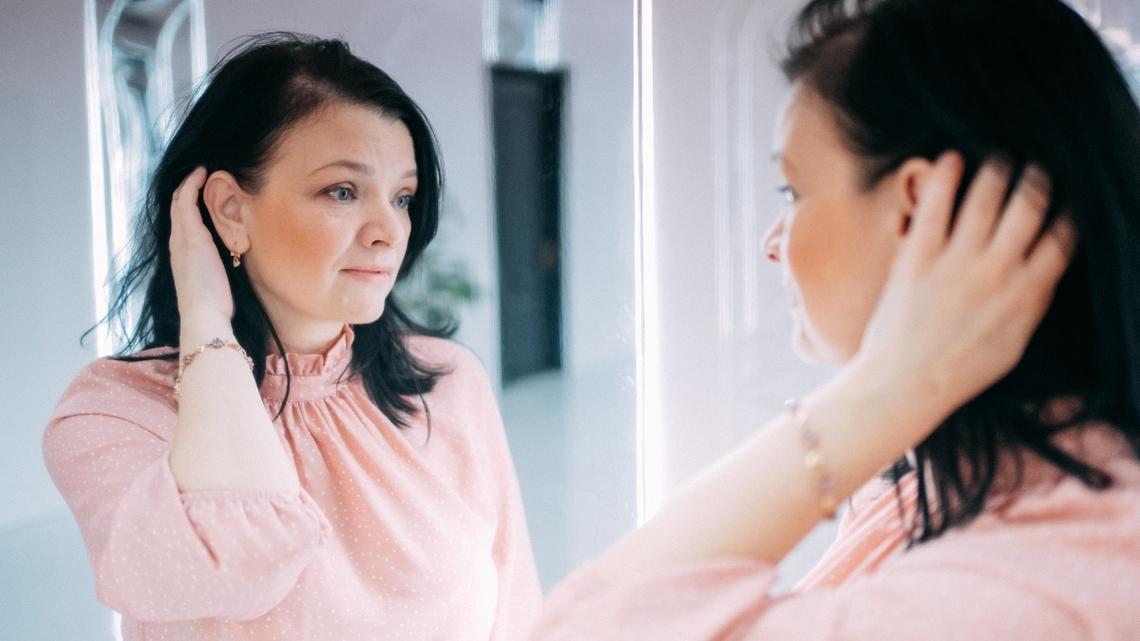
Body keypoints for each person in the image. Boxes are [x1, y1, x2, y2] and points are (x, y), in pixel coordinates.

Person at [532, 0, 1140, 638]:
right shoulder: (928, 483)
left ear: (916, 209)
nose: (772, 241)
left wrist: (886, 389)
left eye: (792, 193)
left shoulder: (1025, 599)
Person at [43, 33, 540, 640]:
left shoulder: (448, 382)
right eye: (342, 191)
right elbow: (228, 565)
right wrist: (205, 315)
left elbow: (516, 603)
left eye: (403, 196)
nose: (389, 230)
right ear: (230, 208)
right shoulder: (117, 414)